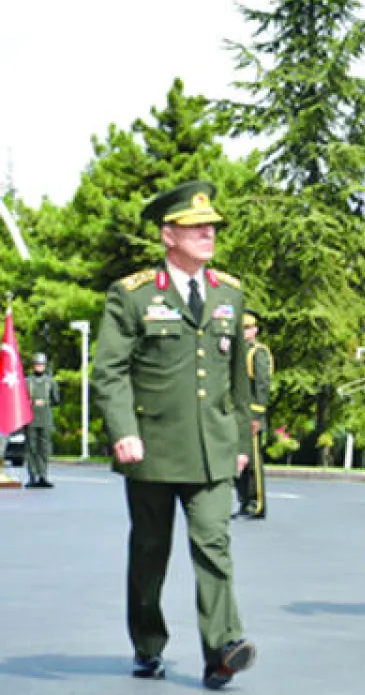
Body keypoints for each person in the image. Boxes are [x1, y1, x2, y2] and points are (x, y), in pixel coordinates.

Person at [92, 180, 258, 689]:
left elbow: (234, 383)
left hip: (212, 449)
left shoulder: (229, 293)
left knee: (215, 544)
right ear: (169, 235)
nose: (207, 233)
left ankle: (222, 649)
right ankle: (147, 642)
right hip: (154, 449)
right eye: (195, 227)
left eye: (211, 226)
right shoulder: (133, 295)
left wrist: (239, 446)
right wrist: (124, 431)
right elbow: (110, 371)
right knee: (150, 550)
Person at [233, 312, 272, 519]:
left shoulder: (258, 352)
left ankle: (257, 503)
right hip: (237, 415)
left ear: (255, 330)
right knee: (238, 461)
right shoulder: (237, 352)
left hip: (251, 415)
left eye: (248, 328)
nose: (245, 332)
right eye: (242, 328)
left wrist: (256, 416)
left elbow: (262, 385)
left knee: (253, 464)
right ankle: (244, 501)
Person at [24, 352, 60, 488]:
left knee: (44, 449)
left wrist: (45, 402)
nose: (39, 367)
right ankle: (33, 476)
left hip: (45, 419)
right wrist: (32, 402)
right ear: (33, 366)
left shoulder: (50, 382)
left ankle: (43, 475)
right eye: (37, 364)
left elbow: (56, 400)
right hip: (31, 419)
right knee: (31, 448)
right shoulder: (27, 382)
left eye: (42, 364)